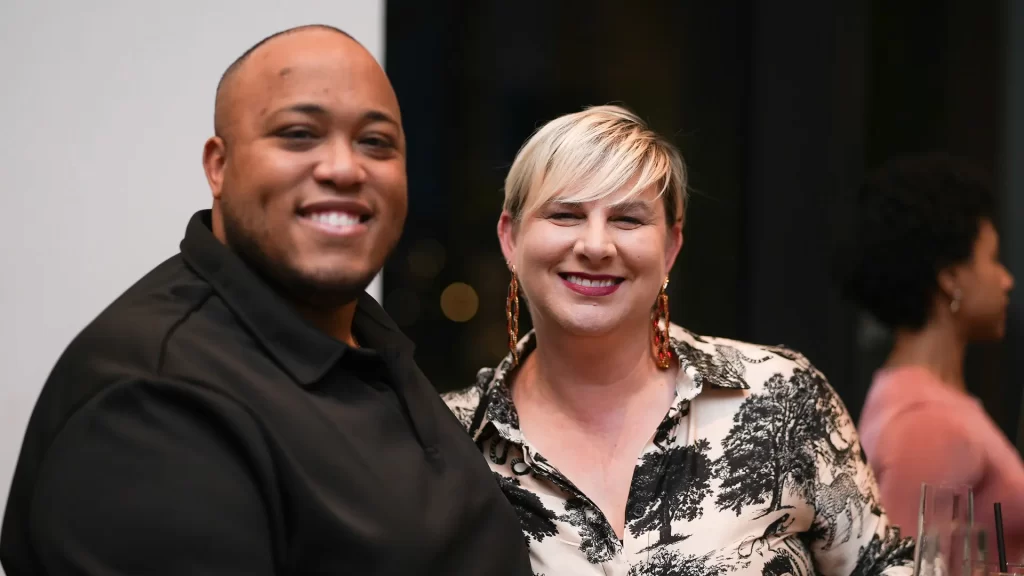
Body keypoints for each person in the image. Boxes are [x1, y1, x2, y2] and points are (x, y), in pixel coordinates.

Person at [0, 25, 532, 576]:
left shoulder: (358, 335)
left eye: (376, 142)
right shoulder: (154, 401)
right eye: (299, 134)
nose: (344, 168)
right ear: (219, 166)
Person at [443, 104, 914, 575]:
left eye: (628, 219)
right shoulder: (448, 439)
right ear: (510, 238)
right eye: (565, 215)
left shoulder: (781, 397)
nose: (596, 246)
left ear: (670, 246)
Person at [843, 153, 1023, 560]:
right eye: (993, 260)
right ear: (950, 278)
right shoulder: (925, 420)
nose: (1007, 280)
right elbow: (908, 567)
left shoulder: (926, 402)